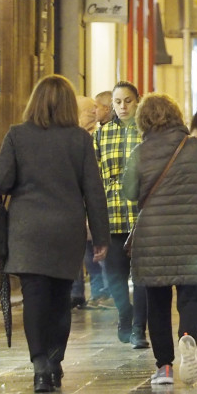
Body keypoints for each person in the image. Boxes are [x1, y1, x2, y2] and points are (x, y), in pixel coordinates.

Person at [0, 75, 109, 392]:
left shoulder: (17, 136)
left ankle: (40, 365)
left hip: (27, 232)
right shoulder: (80, 140)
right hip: (65, 231)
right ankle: (55, 361)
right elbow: (94, 192)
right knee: (60, 299)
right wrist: (100, 238)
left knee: (35, 299)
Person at [121, 94, 197, 386]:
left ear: (142, 120)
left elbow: (129, 192)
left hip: (153, 237)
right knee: (192, 296)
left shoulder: (139, 153)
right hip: (196, 235)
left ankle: (164, 368)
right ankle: (187, 337)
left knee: (157, 301)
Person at [93, 81, 149, 348]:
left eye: (128, 100)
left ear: (137, 101)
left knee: (141, 276)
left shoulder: (146, 133)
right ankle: (124, 312)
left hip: (142, 216)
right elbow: (94, 174)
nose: (123, 106)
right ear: (111, 105)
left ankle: (139, 328)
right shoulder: (101, 135)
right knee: (114, 274)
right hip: (112, 214)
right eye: (117, 102)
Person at [71, 96, 109, 310]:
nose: (94, 114)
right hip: (81, 204)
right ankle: (84, 292)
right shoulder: (78, 139)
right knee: (86, 252)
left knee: (92, 252)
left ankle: (96, 292)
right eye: (89, 111)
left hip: (87, 204)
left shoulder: (94, 138)